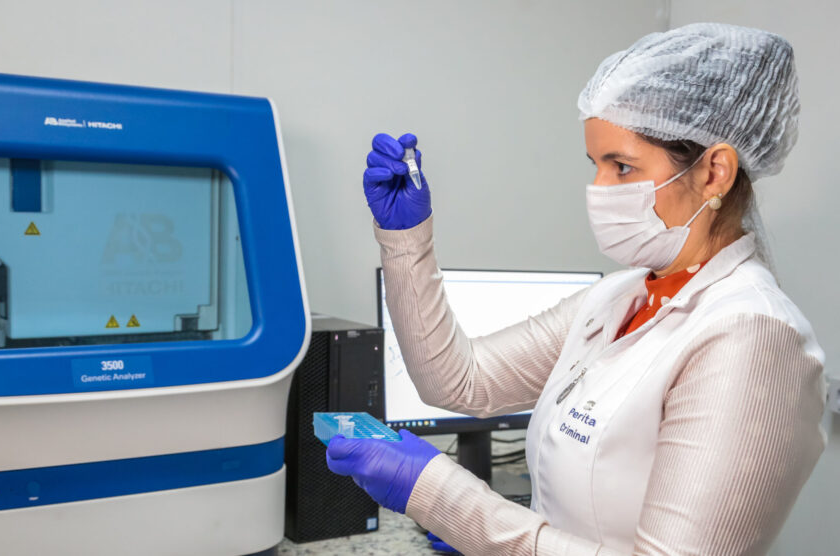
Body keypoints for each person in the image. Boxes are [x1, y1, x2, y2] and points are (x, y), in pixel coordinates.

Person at [326, 22, 826, 555]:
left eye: (622, 167)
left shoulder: (752, 337)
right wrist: (406, 241)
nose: (598, 190)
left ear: (714, 172)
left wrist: (443, 498)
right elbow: (460, 382)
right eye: (596, 165)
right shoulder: (618, 298)